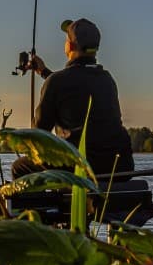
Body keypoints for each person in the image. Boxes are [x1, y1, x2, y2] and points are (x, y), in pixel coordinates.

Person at [13, 17, 135, 180]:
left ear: (69, 46)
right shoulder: (107, 79)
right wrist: (43, 72)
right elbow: (77, 88)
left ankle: (36, 206)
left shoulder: (57, 82)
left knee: (20, 167)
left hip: (77, 167)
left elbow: (39, 136)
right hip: (118, 167)